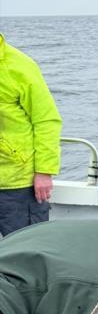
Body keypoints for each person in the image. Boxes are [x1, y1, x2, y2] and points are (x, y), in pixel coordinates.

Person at [0, 34, 62, 237]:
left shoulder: (20, 65)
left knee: (25, 251)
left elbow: (46, 120)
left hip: (17, 184)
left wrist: (44, 170)